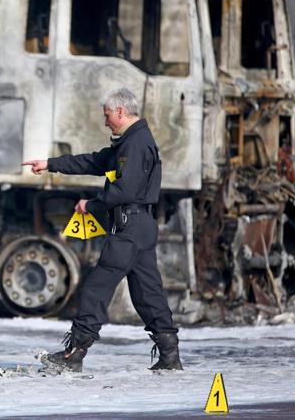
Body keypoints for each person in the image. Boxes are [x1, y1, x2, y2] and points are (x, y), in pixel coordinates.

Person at [22, 87, 183, 372]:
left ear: (120, 112)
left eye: (107, 115)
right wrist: (50, 164)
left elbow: (125, 189)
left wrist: (92, 205)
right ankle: (170, 355)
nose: (105, 120)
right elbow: (95, 161)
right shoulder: (131, 141)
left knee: (97, 288)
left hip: (129, 227)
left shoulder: (135, 144)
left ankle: (74, 354)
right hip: (140, 226)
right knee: (148, 293)